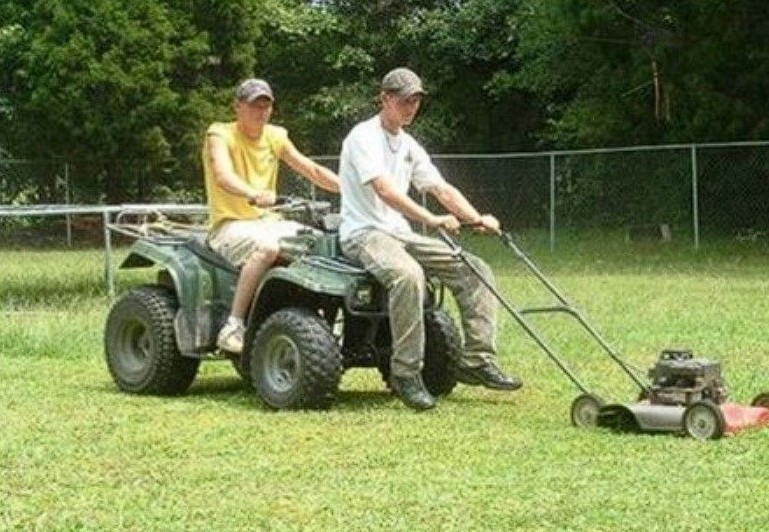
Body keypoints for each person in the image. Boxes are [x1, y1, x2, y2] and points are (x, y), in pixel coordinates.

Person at [338, 67, 523, 410]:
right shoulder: (362, 137)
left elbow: (440, 188)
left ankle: (477, 360)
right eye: (405, 100)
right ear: (385, 99)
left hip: (399, 233)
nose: (411, 107)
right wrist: (431, 219)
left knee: (475, 269)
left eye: (416, 100)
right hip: (364, 233)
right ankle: (406, 374)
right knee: (408, 276)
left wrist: (476, 217)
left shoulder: (408, 145)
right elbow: (385, 190)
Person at [203, 78, 340, 354]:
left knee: (326, 243)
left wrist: (349, 187)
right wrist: (253, 193)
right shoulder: (219, 134)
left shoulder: (276, 136)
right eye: (255, 105)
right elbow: (223, 176)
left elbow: (310, 169)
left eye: (266, 105)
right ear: (238, 107)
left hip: (268, 222)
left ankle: (328, 321)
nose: (261, 111)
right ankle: (234, 325)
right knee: (267, 248)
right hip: (230, 225)